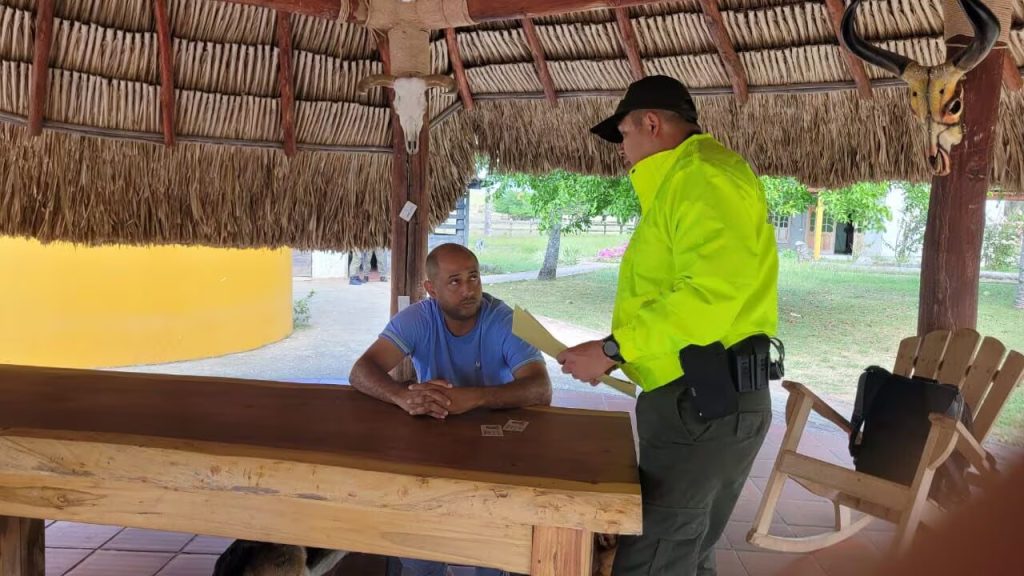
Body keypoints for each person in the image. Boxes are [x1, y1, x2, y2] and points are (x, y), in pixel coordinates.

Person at [557, 75, 779, 576]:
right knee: (683, 554)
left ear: (651, 123)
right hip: (700, 397)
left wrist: (613, 349)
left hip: (703, 401)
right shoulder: (687, 182)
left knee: (656, 559)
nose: (622, 150)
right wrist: (620, 355)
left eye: (623, 135)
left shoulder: (703, 178)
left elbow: (709, 295)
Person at [349, 242, 552, 576]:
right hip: (433, 445)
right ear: (431, 289)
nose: (469, 289)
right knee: (419, 560)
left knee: (489, 560)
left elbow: (541, 389)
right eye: (455, 281)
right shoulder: (417, 319)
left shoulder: (505, 320)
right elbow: (361, 371)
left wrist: (475, 397)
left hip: (497, 452)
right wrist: (402, 395)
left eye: (474, 277)